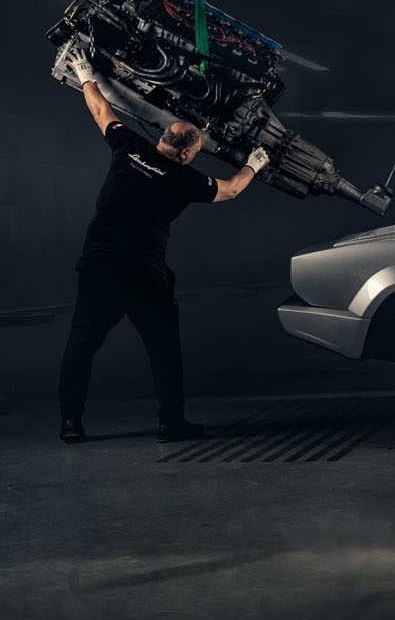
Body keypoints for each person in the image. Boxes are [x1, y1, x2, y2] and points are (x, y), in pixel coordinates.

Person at [56, 48, 269, 443]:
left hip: (99, 268)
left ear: (163, 139)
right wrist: (254, 163)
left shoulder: (129, 148)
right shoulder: (184, 180)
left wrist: (85, 73)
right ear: (187, 153)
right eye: (196, 151)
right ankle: (171, 423)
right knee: (163, 350)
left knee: (81, 345)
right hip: (142, 277)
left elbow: (101, 110)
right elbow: (231, 190)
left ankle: (70, 422)